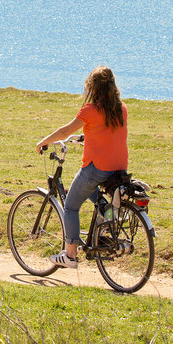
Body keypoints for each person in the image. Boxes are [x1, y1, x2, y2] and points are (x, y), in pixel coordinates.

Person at [36, 66, 128, 269]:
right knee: (89, 189)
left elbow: (65, 131)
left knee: (70, 205)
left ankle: (69, 255)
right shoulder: (121, 108)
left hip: (97, 169)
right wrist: (87, 136)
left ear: (92, 88)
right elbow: (107, 132)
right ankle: (106, 212)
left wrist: (44, 141)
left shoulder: (90, 110)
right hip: (118, 168)